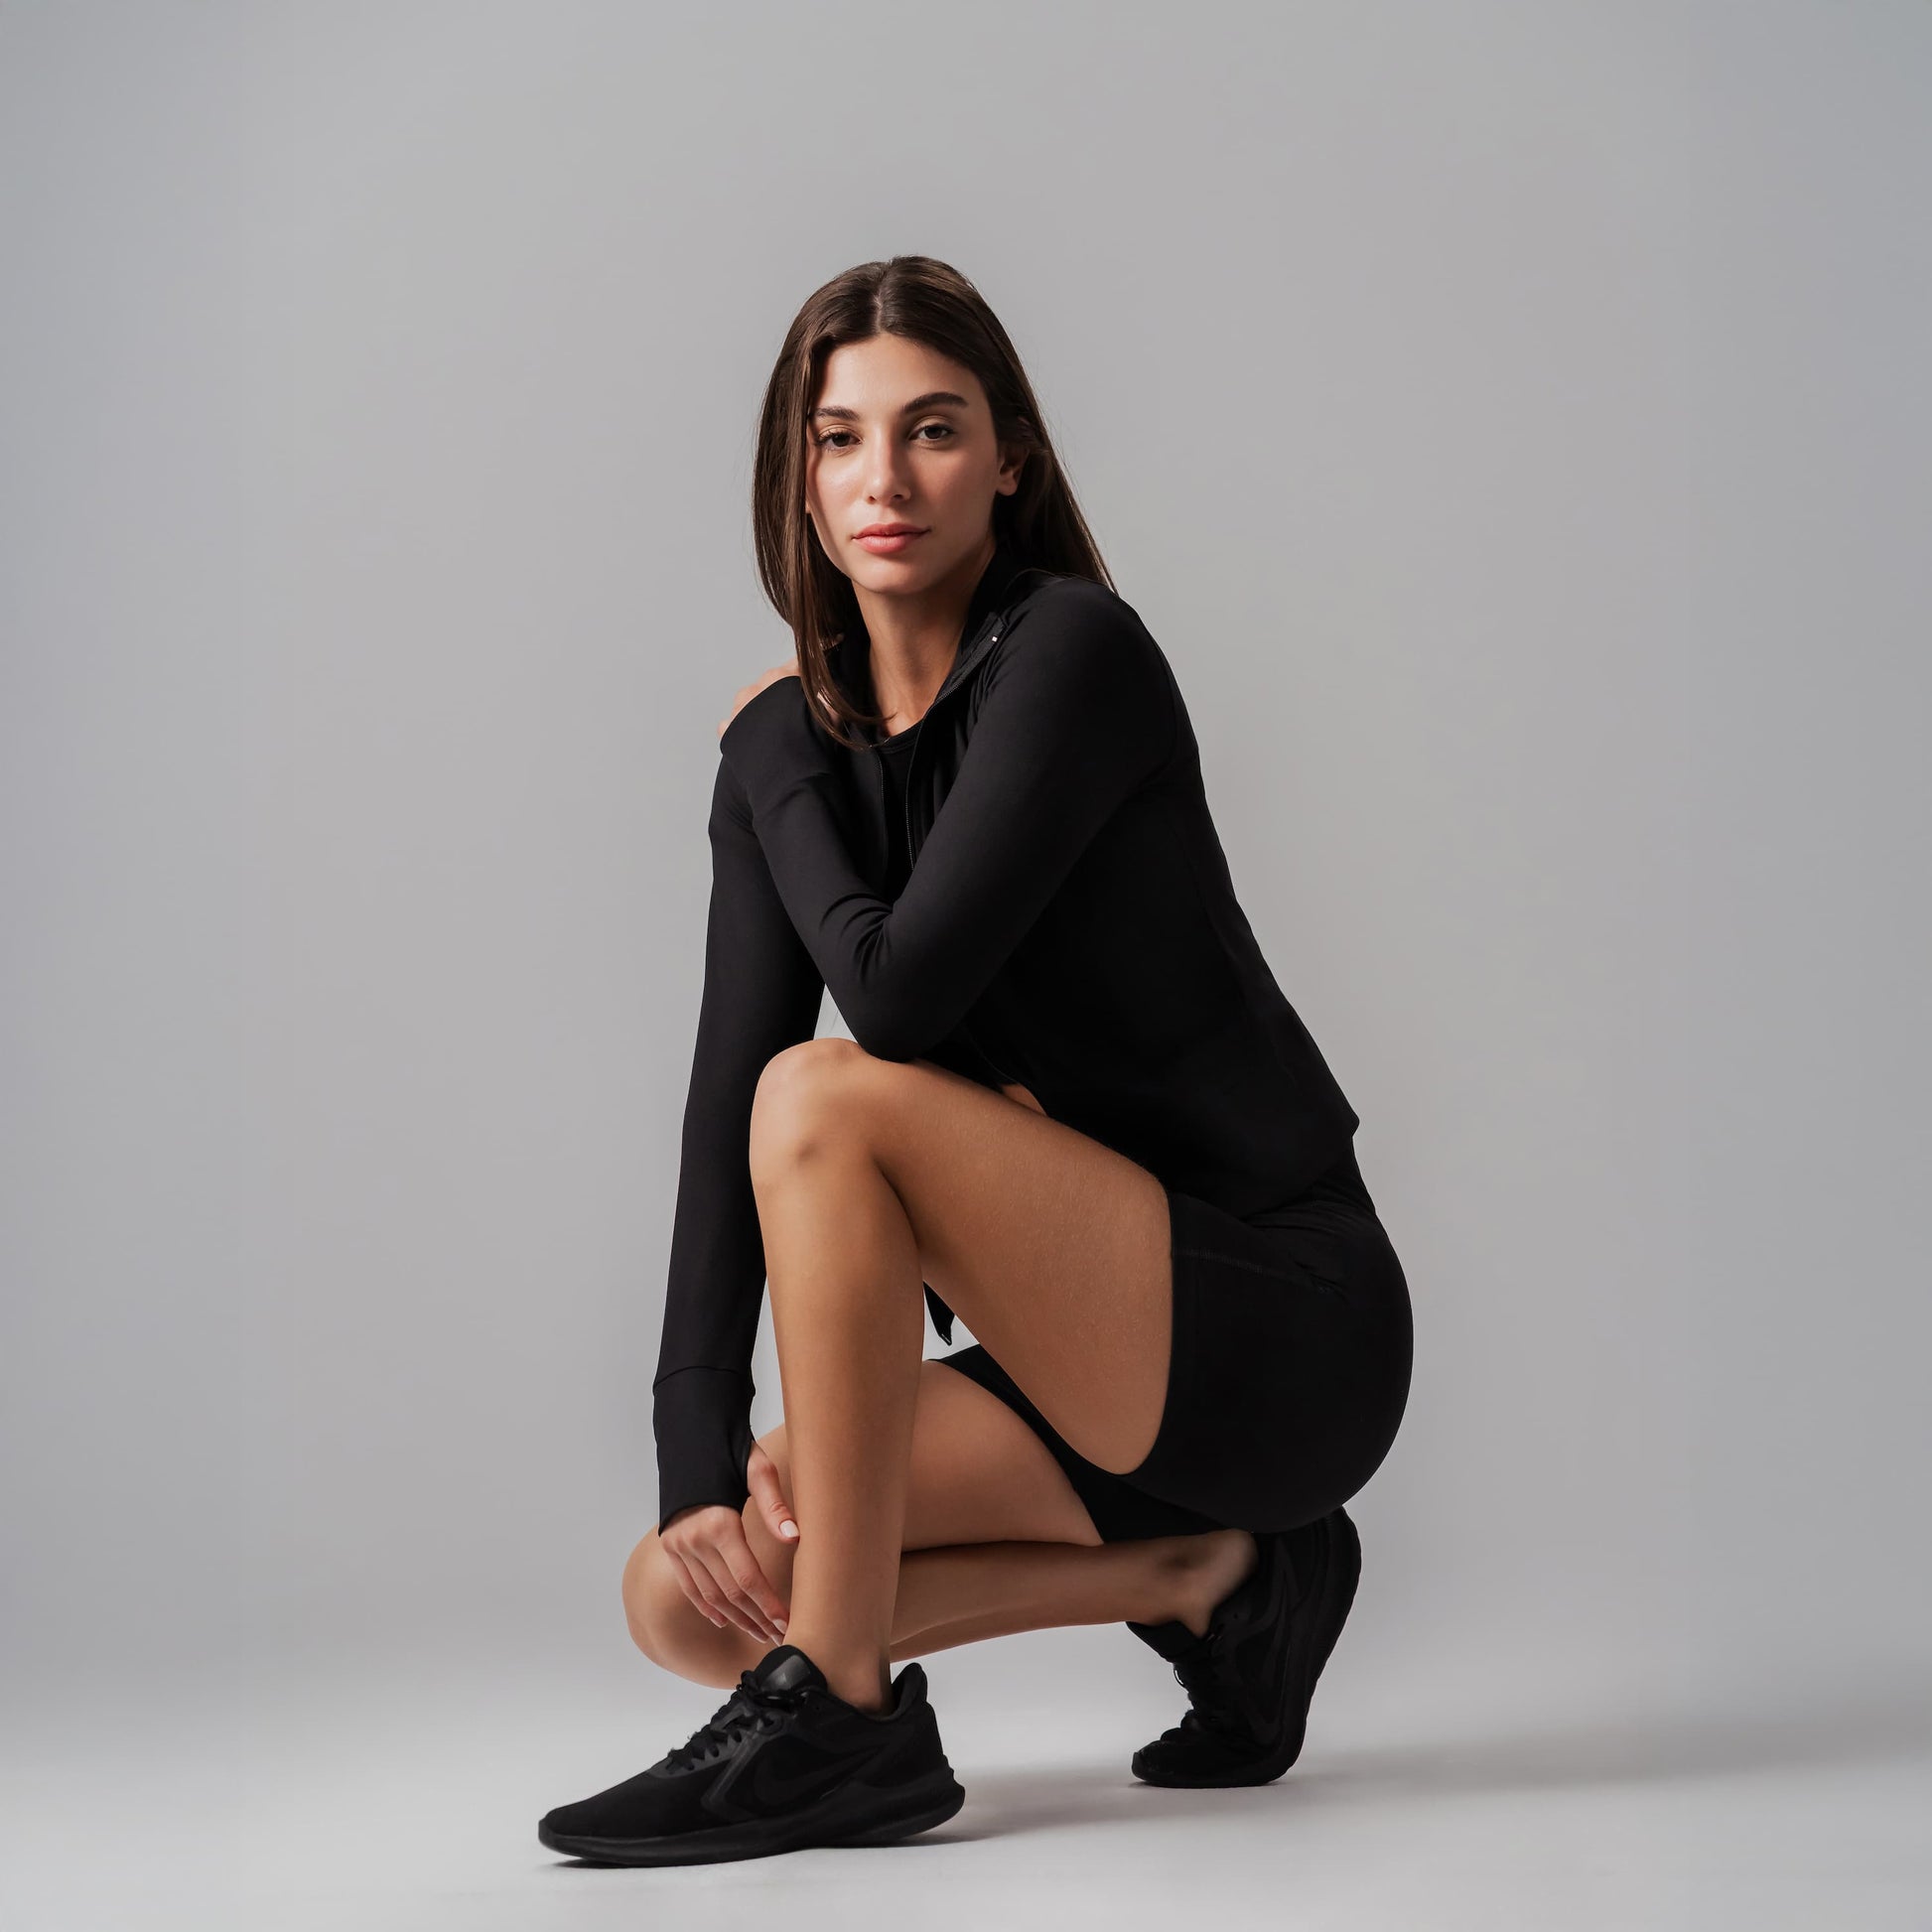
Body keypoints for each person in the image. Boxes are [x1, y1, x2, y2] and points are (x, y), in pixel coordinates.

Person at [537, 255, 1413, 1867]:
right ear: (794, 477)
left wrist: (762, 755)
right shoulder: (793, 756)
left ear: (1009, 456)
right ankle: (1216, 1580)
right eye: (839, 438)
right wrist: (690, 1460)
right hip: (1059, 1363)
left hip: (1271, 1321)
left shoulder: (1070, 654)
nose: (883, 480)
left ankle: (843, 1723)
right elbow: (720, 1108)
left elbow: (895, 1001)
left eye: (932, 431)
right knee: (680, 1594)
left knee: (828, 1098)